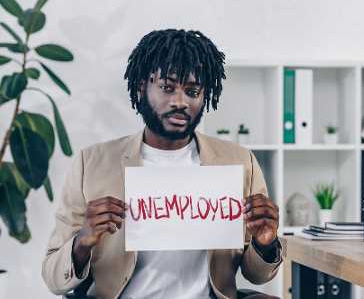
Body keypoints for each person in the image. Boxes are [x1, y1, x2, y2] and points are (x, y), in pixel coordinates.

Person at [42, 29, 285, 299]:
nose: (180, 102)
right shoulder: (92, 163)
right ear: (141, 88)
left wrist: (265, 243)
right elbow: (53, 277)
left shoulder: (239, 162)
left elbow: (257, 275)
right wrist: (82, 243)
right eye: (167, 88)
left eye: (192, 91)